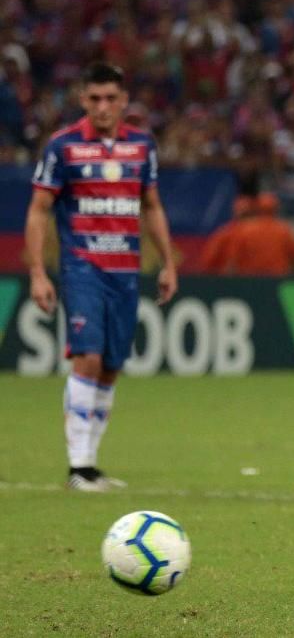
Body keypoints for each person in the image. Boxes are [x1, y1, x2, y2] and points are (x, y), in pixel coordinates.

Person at [24, 62, 178, 492]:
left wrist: (168, 262)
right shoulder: (64, 146)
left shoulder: (142, 147)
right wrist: (38, 272)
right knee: (87, 357)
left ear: (124, 101)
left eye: (111, 98)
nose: (103, 106)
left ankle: (90, 464)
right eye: (95, 99)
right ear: (82, 100)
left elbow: (152, 206)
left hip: (126, 271)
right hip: (81, 267)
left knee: (110, 366)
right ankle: (79, 467)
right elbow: (38, 211)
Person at [227, 192, 294, 276]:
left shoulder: (246, 230)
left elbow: (234, 258)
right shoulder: (284, 230)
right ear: (275, 209)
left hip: (250, 281)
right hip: (277, 280)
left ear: (257, 209)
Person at [199, 195, 253, 274]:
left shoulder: (225, 232)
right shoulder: (225, 233)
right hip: (226, 280)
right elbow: (208, 263)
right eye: (247, 215)